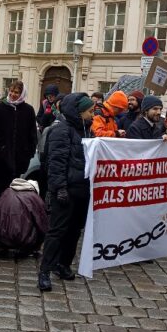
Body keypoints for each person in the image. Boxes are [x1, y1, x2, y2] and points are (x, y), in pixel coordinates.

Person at [38, 93, 95, 292]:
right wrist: (59, 188)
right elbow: (56, 163)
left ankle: (63, 264)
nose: (92, 114)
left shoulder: (88, 131)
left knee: (74, 231)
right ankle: (44, 271)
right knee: (57, 231)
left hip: (82, 190)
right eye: (89, 111)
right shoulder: (61, 131)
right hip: (66, 190)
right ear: (79, 113)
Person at [0, 80, 38, 200]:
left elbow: (32, 134)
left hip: (20, 160)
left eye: (16, 92)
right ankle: (0, 217)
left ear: (22, 94)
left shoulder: (28, 110)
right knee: (1, 193)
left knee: (15, 195)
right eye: (11, 91)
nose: (13, 94)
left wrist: (28, 153)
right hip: (2, 160)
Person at [0, 179, 48, 256]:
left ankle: (2, 246)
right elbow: (42, 224)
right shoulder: (34, 197)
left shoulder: (7, 191)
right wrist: (37, 245)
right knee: (38, 220)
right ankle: (26, 247)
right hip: (21, 238)